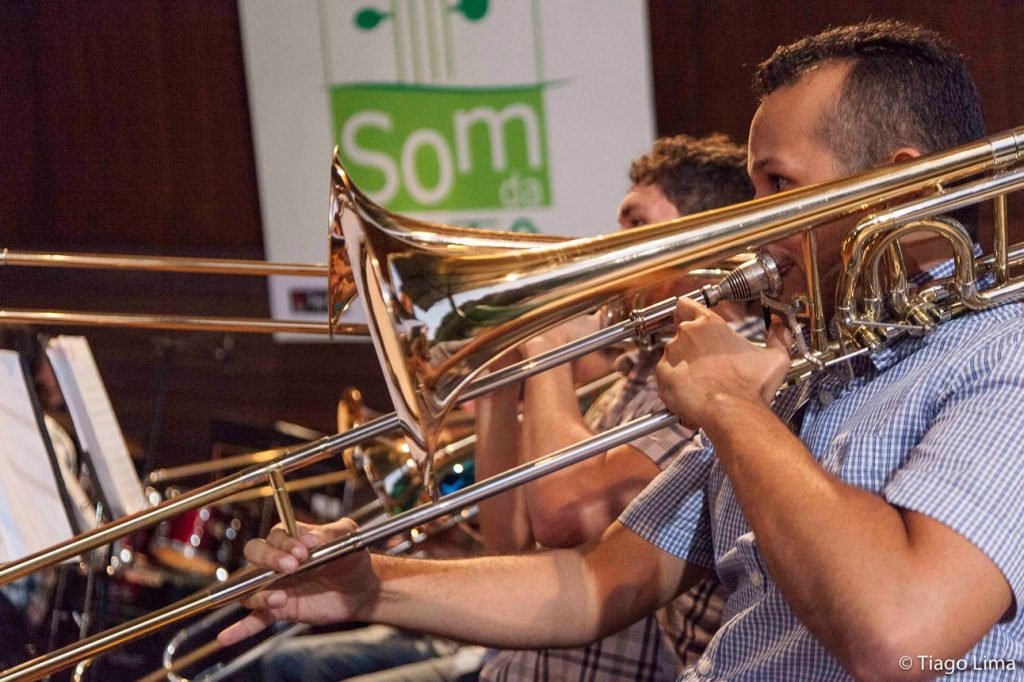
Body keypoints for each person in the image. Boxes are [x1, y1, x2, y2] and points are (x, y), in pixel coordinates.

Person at [221, 21, 1024, 680]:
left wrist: (730, 409)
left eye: (777, 186)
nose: (751, 223)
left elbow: (900, 631)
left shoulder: (1002, 354)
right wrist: (372, 586)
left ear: (905, 186)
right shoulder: (814, 369)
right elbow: (600, 581)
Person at [474, 133, 756, 681]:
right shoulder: (632, 377)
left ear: (699, 239)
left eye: (635, 224)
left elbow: (564, 514)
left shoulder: (724, 373)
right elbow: (510, 541)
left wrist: (550, 344)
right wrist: (497, 384)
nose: (609, 244)